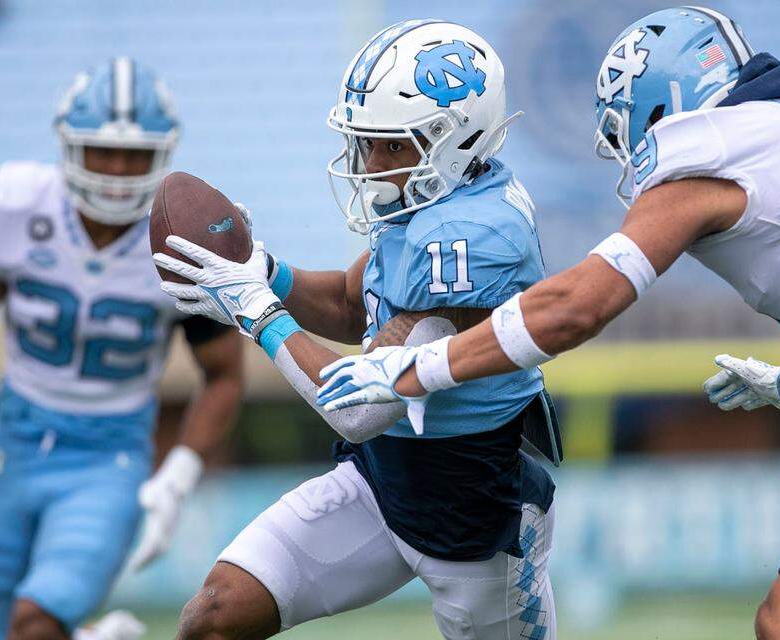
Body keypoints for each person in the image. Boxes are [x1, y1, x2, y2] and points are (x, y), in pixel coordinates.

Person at [312, 7, 780, 639]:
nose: (631, 153)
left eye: (628, 127)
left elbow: (576, 307)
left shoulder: (710, 152)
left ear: (663, 104)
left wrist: (416, 367)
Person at [154, 20, 558, 640]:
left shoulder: (473, 239)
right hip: (380, 481)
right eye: (368, 143)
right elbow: (353, 303)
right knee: (214, 616)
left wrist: (256, 310)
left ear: (453, 141)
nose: (371, 163)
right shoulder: (438, 193)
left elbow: (361, 405)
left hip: (471, 513)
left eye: (391, 146)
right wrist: (266, 271)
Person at [0, 57, 244, 640]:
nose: (114, 171)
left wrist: (177, 478)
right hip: (13, 446)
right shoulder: (18, 206)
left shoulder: (180, 238)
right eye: (100, 151)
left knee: (35, 623)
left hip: (108, 459)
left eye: (133, 155)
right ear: (67, 147)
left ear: (163, 154)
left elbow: (225, 375)